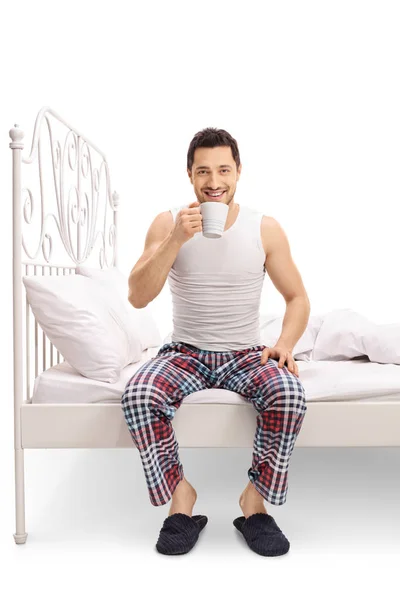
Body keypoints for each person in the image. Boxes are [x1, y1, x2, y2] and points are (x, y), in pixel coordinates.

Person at [121, 127, 310, 557]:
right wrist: (175, 241)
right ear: (189, 175)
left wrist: (284, 343)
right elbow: (136, 296)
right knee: (139, 394)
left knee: (289, 393)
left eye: (224, 169)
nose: (213, 181)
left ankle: (254, 504)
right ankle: (180, 500)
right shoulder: (168, 222)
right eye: (203, 170)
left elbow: (297, 298)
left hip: (245, 352)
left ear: (238, 172)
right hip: (185, 351)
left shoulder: (264, 227)